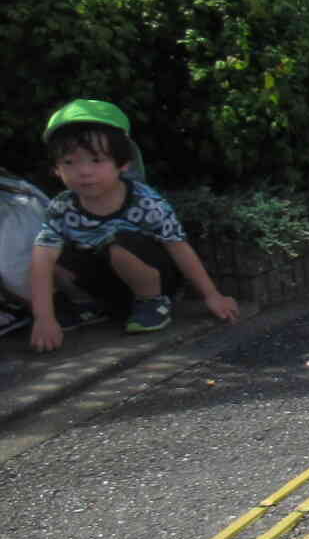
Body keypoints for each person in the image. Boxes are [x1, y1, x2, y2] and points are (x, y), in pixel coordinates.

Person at [27, 99, 240, 353]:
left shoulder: (145, 201)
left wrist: (211, 295)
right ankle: (88, 304)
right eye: (70, 162)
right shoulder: (61, 207)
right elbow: (42, 260)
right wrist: (44, 318)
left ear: (123, 163)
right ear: (56, 169)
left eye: (96, 160)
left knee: (118, 246)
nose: (84, 171)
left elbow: (178, 246)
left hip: (151, 278)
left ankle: (152, 303)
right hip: (104, 282)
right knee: (50, 255)